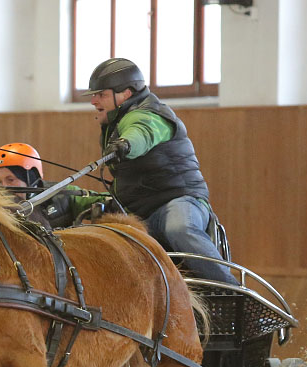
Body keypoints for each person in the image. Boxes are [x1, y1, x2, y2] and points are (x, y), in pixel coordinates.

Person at [84, 58, 237, 284]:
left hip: (180, 201)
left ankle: (230, 290)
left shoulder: (149, 114)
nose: (93, 101)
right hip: (139, 214)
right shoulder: (113, 125)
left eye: (101, 95)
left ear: (126, 94)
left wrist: (127, 144)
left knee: (179, 228)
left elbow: (142, 132)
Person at [0, 143, 110, 229]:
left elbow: (105, 201)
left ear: (31, 178)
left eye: (10, 180)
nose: (3, 188)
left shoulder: (61, 195)